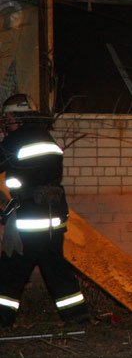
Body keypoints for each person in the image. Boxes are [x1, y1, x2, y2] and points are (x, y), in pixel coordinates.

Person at [0, 94, 91, 327]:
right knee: (54, 266)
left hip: (31, 217)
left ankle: (2, 316)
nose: (6, 123)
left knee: (12, 267)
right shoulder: (46, 137)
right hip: (55, 214)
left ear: (15, 117)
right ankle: (77, 315)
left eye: (7, 118)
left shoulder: (15, 140)